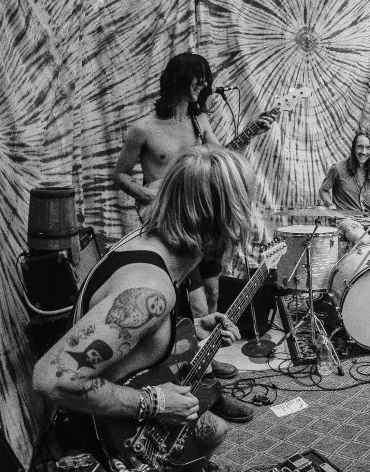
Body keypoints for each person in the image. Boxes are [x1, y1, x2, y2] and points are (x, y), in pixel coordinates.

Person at [34, 147, 257, 472]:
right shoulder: (149, 291)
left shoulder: (147, 245)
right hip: (121, 433)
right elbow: (52, 379)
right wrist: (156, 402)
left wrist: (191, 329)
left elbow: (131, 339)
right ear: (225, 220)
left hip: (124, 411)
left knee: (215, 430)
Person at [114, 53, 275, 312]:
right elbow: (120, 175)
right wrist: (147, 195)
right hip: (171, 224)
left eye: (206, 79)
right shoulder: (143, 129)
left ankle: (208, 336)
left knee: (212, 293)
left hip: (201, 219)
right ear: (178, 78)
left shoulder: (200, 122)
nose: (205, 84)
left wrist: (250, 132)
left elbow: (222, 159)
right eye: (198, 78)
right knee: (197, 304)